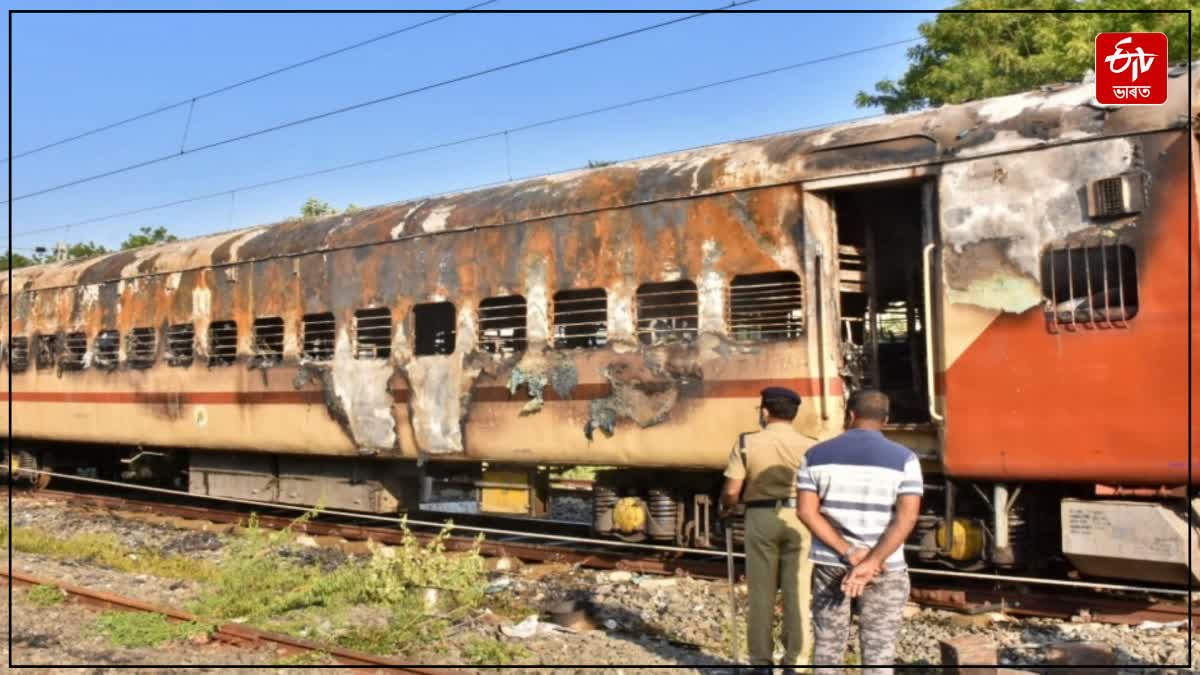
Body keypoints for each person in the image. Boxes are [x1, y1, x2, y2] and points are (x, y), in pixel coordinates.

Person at [795, 389, 923, 674]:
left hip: (832, 564)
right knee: (879, 651)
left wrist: (850, 553)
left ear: (849, 415)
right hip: (885, 567)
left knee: (827, 648)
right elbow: (906, 518)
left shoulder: (814, 456)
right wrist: (872, 561)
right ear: (886, 420)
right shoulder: (905, 459)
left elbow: (806, 511)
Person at [720, 386, 817, 673]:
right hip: (801, 518)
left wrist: (727, 506)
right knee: (798, 591)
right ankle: (795, 664)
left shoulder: (747, 443)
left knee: (761, 592)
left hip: (760, 517)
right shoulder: (812, 446)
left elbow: (732, 491)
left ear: (765, 412)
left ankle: (761, 663)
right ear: (793, 414)